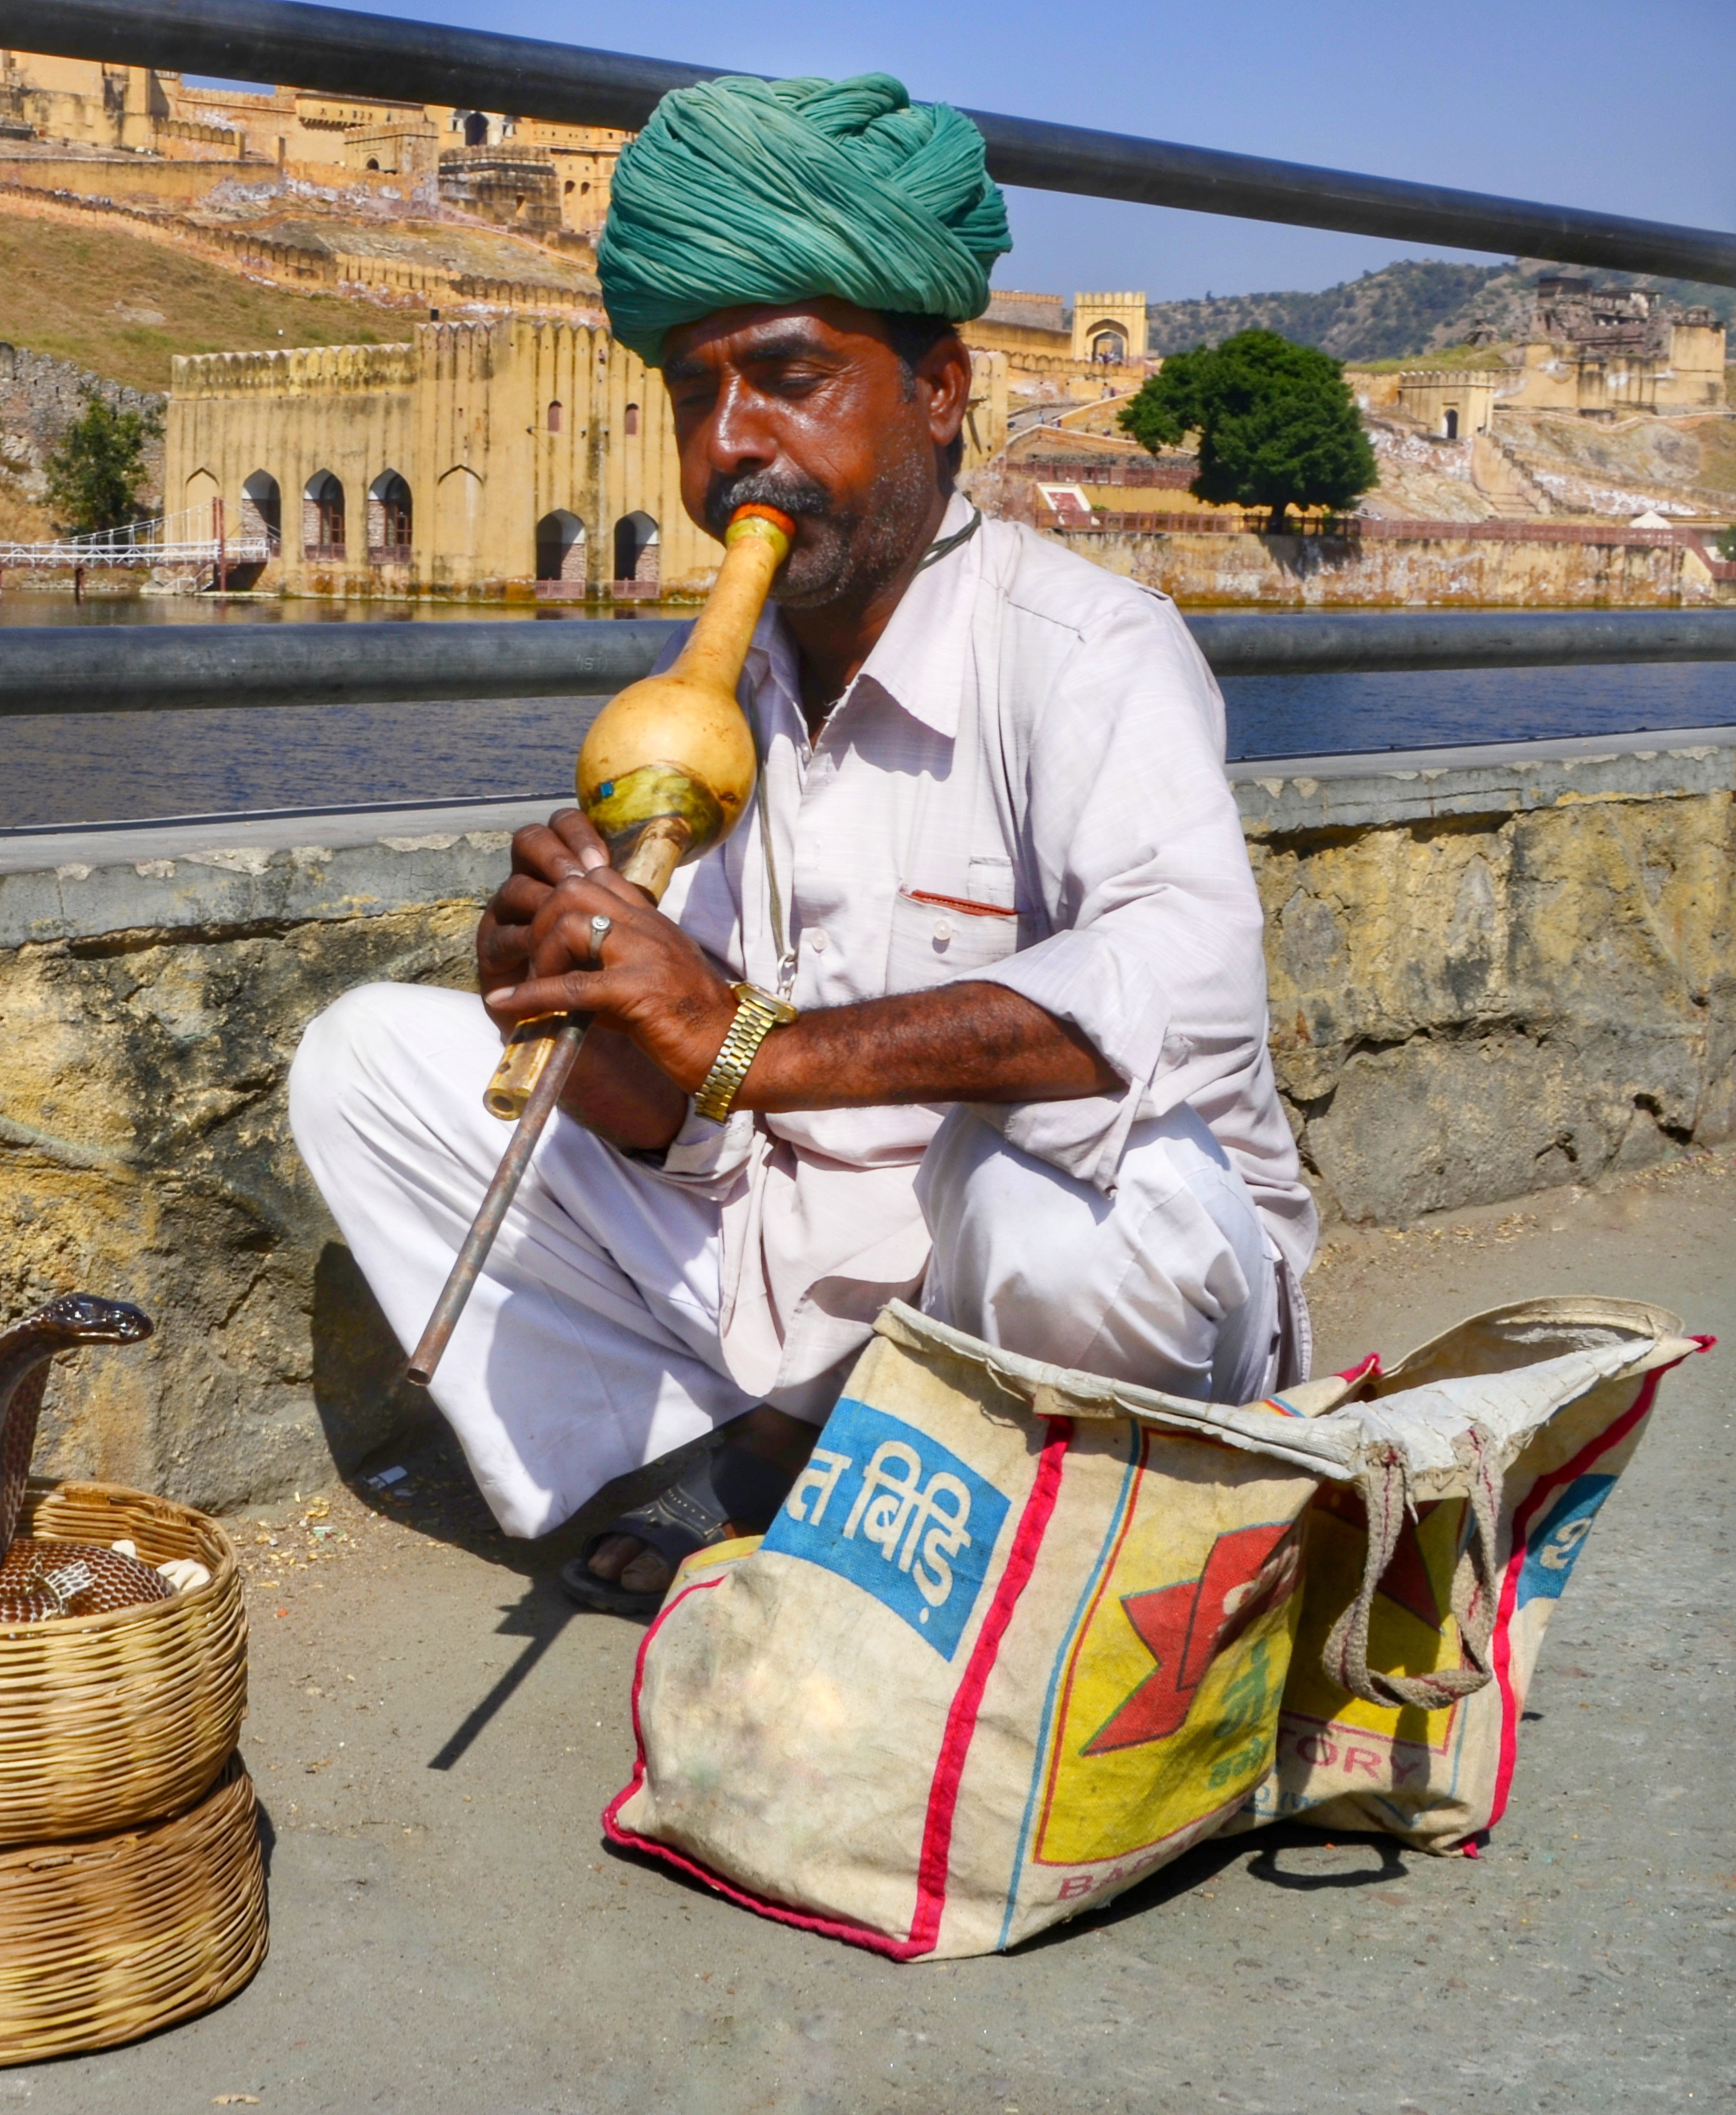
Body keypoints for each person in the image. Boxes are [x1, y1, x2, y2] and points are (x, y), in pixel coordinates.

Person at [290, 73, 1316, 1617]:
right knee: (365, 1059)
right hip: (781, 1258)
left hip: (1041, 1284)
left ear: (939, 387)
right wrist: (594, 1013)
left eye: (785, 378)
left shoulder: (1088, 649)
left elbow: (1186, 996)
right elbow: (687, 1120)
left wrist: (744, 1039)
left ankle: (839, 1450)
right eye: (694, 399)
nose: (729, 450)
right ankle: (772, 1446)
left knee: (1057, 1205)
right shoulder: (720, 694)